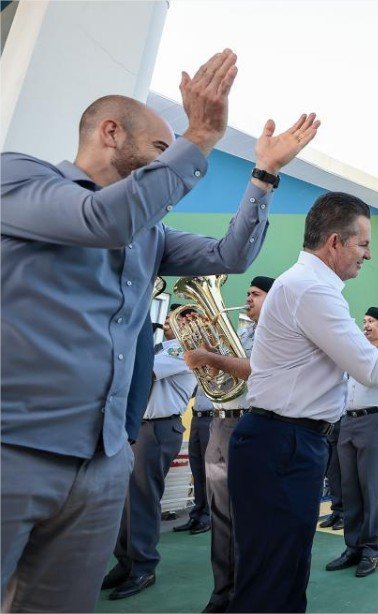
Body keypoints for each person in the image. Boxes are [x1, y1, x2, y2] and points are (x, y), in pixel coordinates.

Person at [0, 48, 319, 611]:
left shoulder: (149, 233)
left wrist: (264, 178)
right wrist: (198, 136)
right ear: (109, 132)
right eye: (158, 151)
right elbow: (101, 218)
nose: (169, 166)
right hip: (14, 452)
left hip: (101, 465)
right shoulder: (20, 179)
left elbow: (231, 254)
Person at [226, 192, 378, 612]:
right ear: (335, 242)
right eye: (363, 244)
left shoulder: (305, 285)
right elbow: (369, 366)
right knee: (272, 577)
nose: (368, 255)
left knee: (285, 569)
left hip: (285, 441)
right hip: (284, 443)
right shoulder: (312, 289)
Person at [182, 275, 273, 613]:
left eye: (257, 294)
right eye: (247, 292)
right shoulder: (240, 333)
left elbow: (255, 370)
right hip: (220, 422)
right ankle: (222, 591)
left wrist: (210, 357)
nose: (248, 298)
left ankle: (246, 593)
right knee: (220, 513)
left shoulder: (274, 332)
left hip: (249, 421)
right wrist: (201, 348)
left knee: (245, 515)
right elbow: (212, 374)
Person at [103, 307, 198, 600]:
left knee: (142, 499)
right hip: (138, 426)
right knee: (126, 500)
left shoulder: (184, 350)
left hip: (157, 429)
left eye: (182, 318)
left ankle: (143, 566)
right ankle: (126, 561)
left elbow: (146, 371)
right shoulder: (159, 346)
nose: (174, 321)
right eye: (173, 316)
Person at [325, 306, 378, 578]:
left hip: (375, 420)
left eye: (371, 321)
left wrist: (362, 357)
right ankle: (352, 547)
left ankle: (370, 550)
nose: (365, 325)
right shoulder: (358, 351)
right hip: (348, 421)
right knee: (349, 488)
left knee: (370, 488)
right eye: (364, 321)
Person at [174, 388, 213, 535]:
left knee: (208, 470)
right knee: (196, 469)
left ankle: (208, 516)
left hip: (212, 417)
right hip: (197, 418)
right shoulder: (198, 370)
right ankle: (196, 514)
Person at [318, 421, 346, 531]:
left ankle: (346, 515)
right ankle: (337, 511)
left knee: (346, 473)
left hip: (347, 419)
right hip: (332, 423)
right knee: (333, 473)